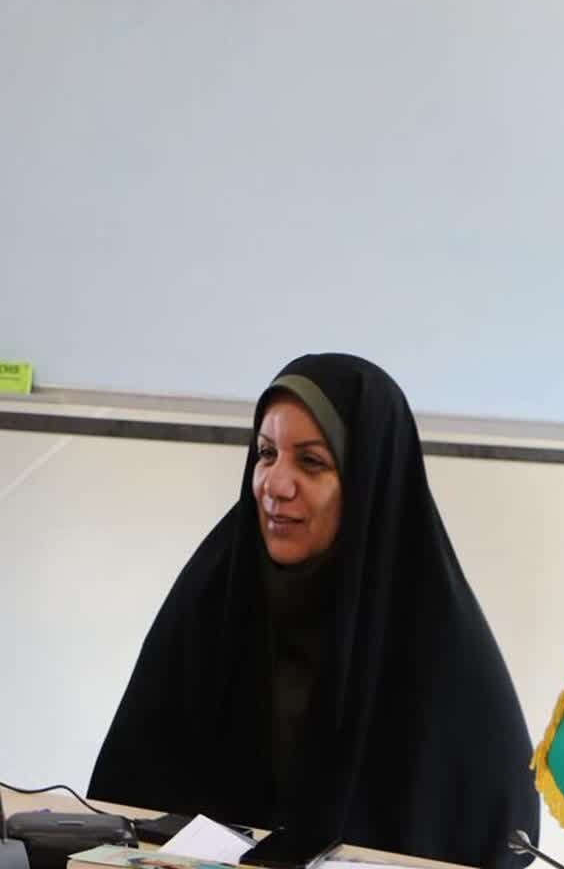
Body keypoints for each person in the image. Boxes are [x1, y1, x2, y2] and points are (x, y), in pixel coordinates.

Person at [88, 353, 538, 868]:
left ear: (368, 478)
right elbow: (129, 800)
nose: (275, 485)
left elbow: (500, 836)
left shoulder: (434, 635)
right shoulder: (214, 591)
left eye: (312, 463)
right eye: (266, 454)